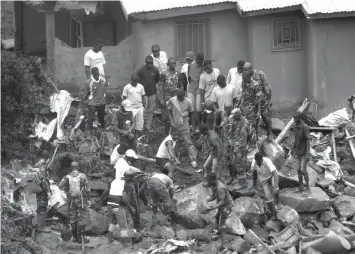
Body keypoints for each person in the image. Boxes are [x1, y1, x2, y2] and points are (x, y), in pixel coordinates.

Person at [107, 143, 141, 242]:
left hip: (110, 205)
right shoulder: (125, 184)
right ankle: (125, 243)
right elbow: (124, 198)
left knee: (113, 221)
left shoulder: (114, 181)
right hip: (118, 206)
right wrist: (130, 208)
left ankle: (109, 237)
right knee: (123, 225)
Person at [59, 162, 90, 244]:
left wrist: (67, 191)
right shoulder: (83, 176)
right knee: (81, 219)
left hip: (71, 200)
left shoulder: (67, 177)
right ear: (78, 167)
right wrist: (88, 198)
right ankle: (81, 238)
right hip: (81, 200)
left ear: (71, 168)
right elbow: (87, 189)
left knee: (73, 218)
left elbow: (60, 186)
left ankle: (75, 237)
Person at [203, 172, 234, 252]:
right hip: (221, 205)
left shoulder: (220, 188)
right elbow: (214, 196)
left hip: (227, 206)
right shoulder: (213, 185)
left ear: (213, 180)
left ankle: (225, 243)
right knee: (217, 217)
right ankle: (218, 231)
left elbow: (222, 201)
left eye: (208, 180)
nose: (207, 182)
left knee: (222, 223)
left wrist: (213, 207)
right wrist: (207, 199)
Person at [167, 88, 198, 168]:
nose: (180, 99)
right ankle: (172, 159)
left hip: (185, 127)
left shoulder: (188, 102)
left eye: (181, 97)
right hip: (174, 127)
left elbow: (192, 113)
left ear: (184, 95)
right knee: (171, 144)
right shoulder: (173, 101)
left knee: (189, 143)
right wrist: (171, 121)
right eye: (179, 97)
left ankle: (193, 159)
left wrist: (192, 126)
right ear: (176, 96)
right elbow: (169, 111)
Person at [243, 62, 273, 142]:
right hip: (253, 103)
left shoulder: (260, 74)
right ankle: (255, 136)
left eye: (246, 71)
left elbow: (268, 89)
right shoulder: (246, 77)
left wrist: (267, 102)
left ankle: (269, 133)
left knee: (267, 118)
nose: (245, 72)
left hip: (263, 101)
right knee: (254, 120)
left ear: (251, 69)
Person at [251, 152, 280, 218]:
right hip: (264, 179)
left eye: (261, 160)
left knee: (275, 188)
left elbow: (275, 174)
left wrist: (275, 187)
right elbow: (254, 174)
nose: (260, 162)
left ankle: (278, 202)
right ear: (256, 160)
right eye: (258, 161)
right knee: (267, 196)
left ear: (262, 159)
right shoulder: (253, 164)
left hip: (272, 175)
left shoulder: (267, 161)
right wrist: (254, 185)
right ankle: (273, 212)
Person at [226, 108, 250, 187]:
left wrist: (239, 149)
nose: (232, 118)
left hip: (240, 147)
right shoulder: (234, 119)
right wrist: (230, 142)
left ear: (238, 115)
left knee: (240, 164)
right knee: (233, 162)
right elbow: (231, 131)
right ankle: (235, 178)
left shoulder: (245, 123)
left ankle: (242, 184)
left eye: (234, 116)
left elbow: (245, 137)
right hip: (234, 145)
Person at [136, 56, 160, 131]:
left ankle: (148, 125)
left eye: (151, 63)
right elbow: (136, 78)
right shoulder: (141, 69)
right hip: (143, 94)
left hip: (152, 93)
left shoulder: (155, 70)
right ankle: (141, 125)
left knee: (150, 110)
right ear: (145, 62)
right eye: (148, 63)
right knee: (143, 109)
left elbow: (157, 79)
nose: (150, 65)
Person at [83, 67, 109, 134]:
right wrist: (86, 103)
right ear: (92, 74)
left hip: (102, 103)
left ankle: (103, 133)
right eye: (95, 75)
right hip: (92, 104)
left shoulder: (103, 79)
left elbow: (105, 88)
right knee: (90, 119)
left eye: (98, 74)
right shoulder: (88, 82)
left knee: (101, 118)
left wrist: (104, 98)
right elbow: (85, 95)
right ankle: (88, 134)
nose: (97, 76)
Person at [31, 150, 51, 233]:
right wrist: (48, 191)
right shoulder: (42, 165)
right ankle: (41, 227)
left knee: (40, 206)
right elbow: (43, 179)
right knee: (42, 206)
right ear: (46, 158)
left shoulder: (37, 164)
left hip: (38, 188)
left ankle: (41, 225)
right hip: (42, 189)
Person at [291, 111, 311, 193]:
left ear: (299, 118)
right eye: (294, 118)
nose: (294, 119)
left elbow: (308, 141)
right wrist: (292, 149)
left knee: (303, 169)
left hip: (304, 153)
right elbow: (296, 139)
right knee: (298, 170)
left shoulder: (305, 127)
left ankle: (308, 187)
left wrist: (307, 153)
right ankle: (301, 186)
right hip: (298, 152)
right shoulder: (295, 127)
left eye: (295, 118)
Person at [239, 71, 259, 147]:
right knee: (244, 126)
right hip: (244, 107)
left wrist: (259, 112)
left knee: (251, 127)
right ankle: (246, 142)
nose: (243, 79)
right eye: (242, 78)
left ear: (249, 77)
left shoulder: (255, 85)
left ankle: (252, 144)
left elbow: (259, 99)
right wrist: (238, 104)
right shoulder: (244, 81)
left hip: (251, 109)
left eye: (244, 78)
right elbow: (243, 93)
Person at [160, 58, 180, 133]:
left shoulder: (178, 73)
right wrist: (161, 98)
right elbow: (161, 86)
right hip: (167, 95)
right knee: (167, 114)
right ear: (168, 64)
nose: (174, 65)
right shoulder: (164, 73)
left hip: (175, 95)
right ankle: (166, 134)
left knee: (175, 114)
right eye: (172, 63)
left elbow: (180, 85)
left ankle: (174, 133)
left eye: (174, 63)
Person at [187, 53, 205, 128]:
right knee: (191, 107)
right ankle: (192, 125)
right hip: (191, 88)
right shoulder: (190, 65)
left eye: (200, 61)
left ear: (203, 61)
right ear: (195, 59)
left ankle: (199, 125)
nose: (199, 63)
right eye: (197, 61)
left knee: (198, 108)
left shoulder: (204, 66)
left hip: (199, 89)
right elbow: (188, 77)